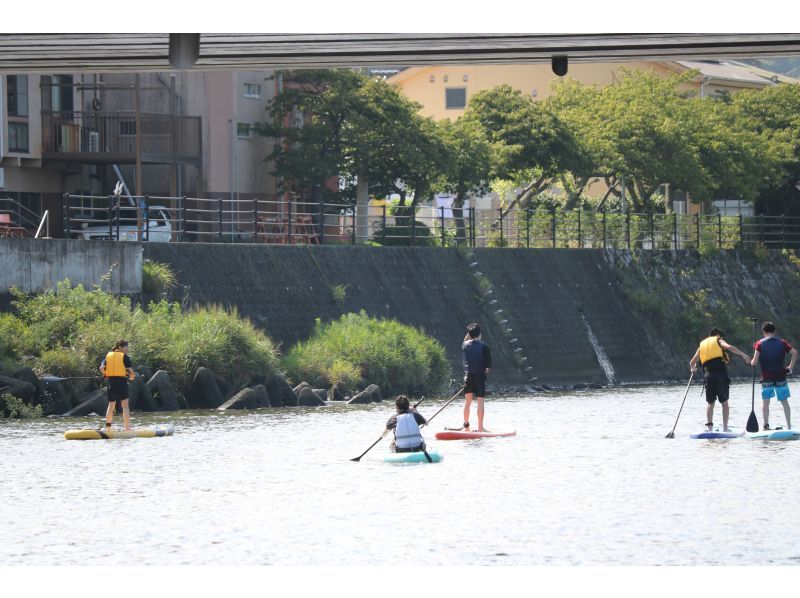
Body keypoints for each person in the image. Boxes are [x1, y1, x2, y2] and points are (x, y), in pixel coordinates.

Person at [689, 328, 750, 432]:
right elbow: (730, 347)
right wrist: (744, 355)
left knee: (710, 403)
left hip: (708, 376)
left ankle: (709, 428)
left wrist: (693, 369)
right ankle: (725, 428)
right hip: (720, 375)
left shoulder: (702, 346)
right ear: (718, 336)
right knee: (724, 403)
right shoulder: (719, 340)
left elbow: (692, 362)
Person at [751, 321, 797, 430]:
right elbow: (795, 353)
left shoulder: (759, 343)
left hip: (767, 378)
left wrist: (752, 361)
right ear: (774, 331)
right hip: (781, 376)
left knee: (766, 402)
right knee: (784, 401)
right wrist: (791, 367)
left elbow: (754, 362)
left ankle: (766, 426)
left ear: (763, 332)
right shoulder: (782, 342)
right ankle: (789, 426)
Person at [99, 339, 135, 431]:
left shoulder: (108, 355)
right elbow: (131, 372)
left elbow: (102, 368)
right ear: (120, 347)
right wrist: (132, 377)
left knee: (111, 405)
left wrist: (105, 374)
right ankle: (127, 428)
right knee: (125, 406)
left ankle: (108, 428)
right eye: (126, 347)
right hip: (122, 383)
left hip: (111, 382)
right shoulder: (125, 357)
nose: (127, 349)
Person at [462, 322, 492, 432]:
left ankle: (466, 427)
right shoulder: (484, 346)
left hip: (467, 377)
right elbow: (487, 368)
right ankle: (480, 427)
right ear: (480, 334)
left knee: (467, 402)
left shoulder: (465, 345)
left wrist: (470, 330)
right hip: (479, 378)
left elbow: (466, 339)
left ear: (470, 334)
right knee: (480, 403)